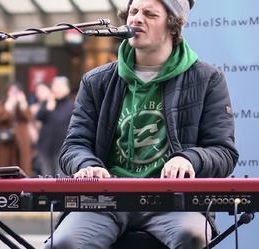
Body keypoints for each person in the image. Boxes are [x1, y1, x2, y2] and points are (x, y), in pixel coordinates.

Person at [50, 0, 238, 248]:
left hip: (174, 202)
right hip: (106, 201)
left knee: (191, 237)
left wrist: (189, 159)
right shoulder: (96, 81)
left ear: (173, 25)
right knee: (64, 243)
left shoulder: (207, 79)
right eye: (133, 12)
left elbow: (223, 152)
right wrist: (86, 164)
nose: (136, 19)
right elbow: (74, 145)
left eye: (149, 14)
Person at [35, 76, 74, 176]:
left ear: (67, 89)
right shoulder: (48, 103)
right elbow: (38, 117)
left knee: (60, 178)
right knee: (46, 177)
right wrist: (48, 107)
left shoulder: (71, 105)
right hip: (45, 147)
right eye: (55, 86)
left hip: (62, 149)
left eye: (60, 86)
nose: (56, 89)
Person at [0, 83, 34, 176]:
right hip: (5, 140)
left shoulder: (22, 104)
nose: (14, 94)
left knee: (23, 165)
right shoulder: (2, 103)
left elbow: (29, 117)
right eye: (11, 91)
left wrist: (23, 103)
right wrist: (8, 106)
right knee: (3, 164)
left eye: (16, 91)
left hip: (21, 141)